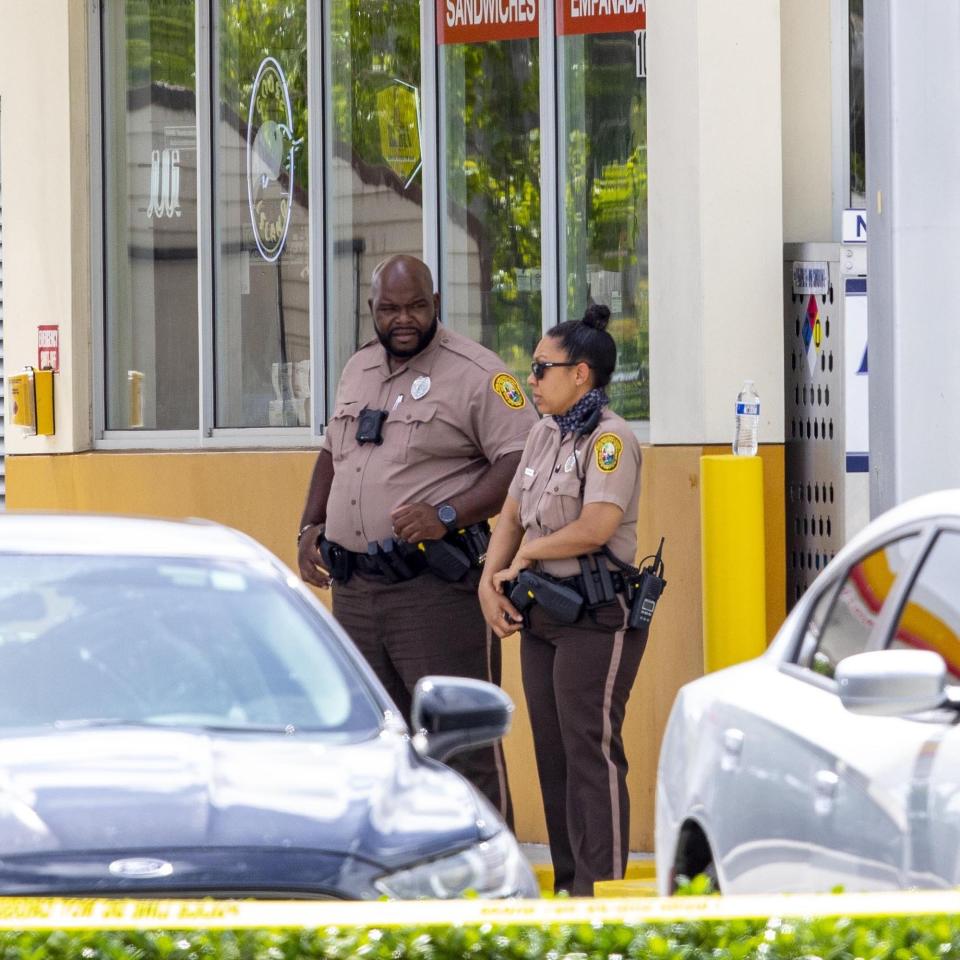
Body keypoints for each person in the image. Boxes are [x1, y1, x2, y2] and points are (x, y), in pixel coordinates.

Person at [297, 254, 538, 824]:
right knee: (376, 745)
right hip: (355, 592)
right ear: (371, 309)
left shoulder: (476, 373)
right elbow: (334, 452)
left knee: (461, 743)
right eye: (389, 308)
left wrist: (448, 512)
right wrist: (309, 526)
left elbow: (522, 458)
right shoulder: (357, 369)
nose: (403, 318)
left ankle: (483, 895)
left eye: (415, 306)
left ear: (435, 303)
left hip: (433, 594)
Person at [478, 303, 645, 895]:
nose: (532, 379)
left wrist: (528, 556)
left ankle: (602, 894)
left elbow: (598, 525)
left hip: (596, 616)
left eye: (543, 368)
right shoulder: (543, 434)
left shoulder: (610, 440)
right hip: (544, 612)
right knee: (552, 753)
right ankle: (570, 888)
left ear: (581, 374)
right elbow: (513, 514)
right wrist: (489, 577)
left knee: (590, 751)